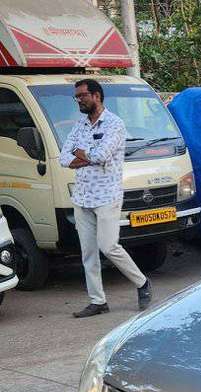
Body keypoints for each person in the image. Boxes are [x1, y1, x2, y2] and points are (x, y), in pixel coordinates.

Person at [58, 78, 152, 318]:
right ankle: (98, 301)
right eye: (76, 97)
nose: (79, 100)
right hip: (82, 196)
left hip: (107, 195)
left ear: (96, 96)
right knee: (88, 252)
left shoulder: (114, 124)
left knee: (109, 246)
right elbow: (63, 158)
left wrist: (80, 154)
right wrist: (83, 156)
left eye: (82, 96)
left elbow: (102, 156)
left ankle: (142, 283)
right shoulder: (79, 125)